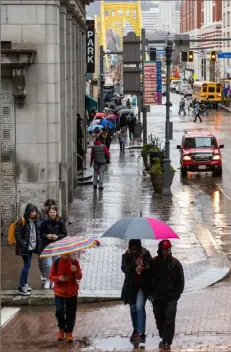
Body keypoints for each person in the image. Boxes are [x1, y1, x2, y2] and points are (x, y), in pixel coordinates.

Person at [151, 240, 184, 350]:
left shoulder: (175, 264)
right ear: (160, 250)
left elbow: (180, 282)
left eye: (168, 249)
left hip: (170, 297)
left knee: (169, 319)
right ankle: (163, 336)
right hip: (158, 297)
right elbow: (149, 277)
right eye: (164, 249)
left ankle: (167, 341)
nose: (166, 252)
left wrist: (175, 296)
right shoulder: (155, 262)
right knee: (159, 318)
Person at [121, 239, 152, 344]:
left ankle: (141, 332)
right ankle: (136, 329)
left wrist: (144, 267)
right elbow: (124, 268)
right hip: (131, 287)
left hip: (142, 287)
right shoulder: (126, 256)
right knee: (133, 309)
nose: (134, 251)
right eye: (132, 249)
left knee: (139, 306)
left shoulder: (146, 255)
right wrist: (134, 267)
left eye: (136, 249)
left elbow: (150, 267)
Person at [49, 253, 82, 343]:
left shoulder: (74, 262)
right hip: (59, 291)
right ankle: (61, 328)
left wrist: (76, 271)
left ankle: (69, 332)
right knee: (59, 311)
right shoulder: (56, 263)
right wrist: (59, 279)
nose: (66, 256)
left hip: (72, 292)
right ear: (61, 254)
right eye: (64, 254)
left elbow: (79, 277)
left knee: (71, 313)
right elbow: (51, 275)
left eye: (68, 254)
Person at [15, 203, 42, 296]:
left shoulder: (34, 221)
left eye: (35, 211)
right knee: (27, 264)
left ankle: (25, 284)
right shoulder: (21, 221)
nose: (34, 213)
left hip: (31, 247)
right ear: (28, 212)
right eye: (32, 211)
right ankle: (21, 286)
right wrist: (23, 244)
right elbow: (17, 235)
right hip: (24, 248)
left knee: (28, 265)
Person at [41, 205, 67, 289]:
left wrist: (57, 237)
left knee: (56, 264)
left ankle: (55, 280)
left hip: (57, 246)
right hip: (47, 246)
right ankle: (48, 279)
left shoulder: (61, 221)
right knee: (48, 264)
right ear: (48, 213)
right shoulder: (45, 222)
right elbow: (41, 234)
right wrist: (47, 236)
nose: (52, 214)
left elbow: (64, 234)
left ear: (56, 212)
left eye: (53, 212)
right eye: (51, 212)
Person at [38, 199, 56, 281]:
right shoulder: (41, 213)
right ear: (46, 206)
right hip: (41, 238)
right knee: (41, 256)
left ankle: (49, 273)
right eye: (49, 207)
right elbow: (37, 224)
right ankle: (43, 273)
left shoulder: (53, 213)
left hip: (50, 238)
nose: (50, 209)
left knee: (50, 256)